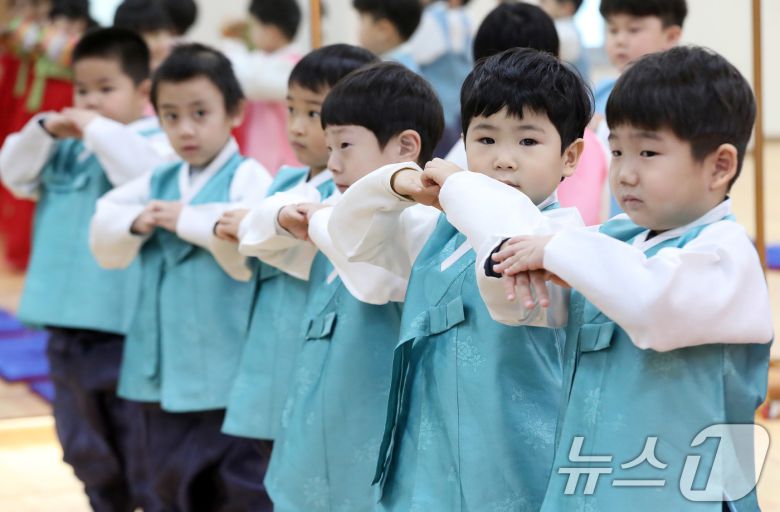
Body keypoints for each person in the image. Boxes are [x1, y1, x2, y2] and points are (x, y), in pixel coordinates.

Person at [438, 46, 773, 512]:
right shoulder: (615, 240)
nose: (626, 173)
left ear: (719, 166)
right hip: (592, 485)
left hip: (685, 494)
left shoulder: (725, 253)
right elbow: (531, 305)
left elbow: (651, 305)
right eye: (617, 151)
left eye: (648, 152)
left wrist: (554, 250)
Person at [328, 47, 590, 511]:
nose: (503, 160)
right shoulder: (443, 232)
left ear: (569, 157)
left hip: (515, 474)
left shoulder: (561, 242)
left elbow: (505, 252)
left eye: (528, 142)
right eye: (485, 139)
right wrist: (398, 181)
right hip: (427, 468)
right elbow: (350, 233)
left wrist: (459, 186)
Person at [238, 61, 443, 511]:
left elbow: (371, 274)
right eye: (329, 146)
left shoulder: (420, 222)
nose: (332, 163)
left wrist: (319, 222)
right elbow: (255, 228)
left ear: (405, 147)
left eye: (345, 145)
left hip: (372, 424)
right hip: (313, 420)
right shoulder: (329, 205)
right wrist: (287, 216)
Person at [89, 43, 274, 510]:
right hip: (164, 369)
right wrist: (137, 221)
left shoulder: (249, 177)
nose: (185, 129)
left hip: (228, 371)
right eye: (171, 116)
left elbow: (253, 236)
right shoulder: (159, 180)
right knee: (166, 487)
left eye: (199, 113)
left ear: (234, 111)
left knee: (239, 491)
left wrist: (186, 219)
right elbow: (104, 222)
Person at [0, 27, 173, 511]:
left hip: (125, 327)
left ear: (142, 92)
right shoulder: (63, 144)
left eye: (105, 88)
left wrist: (97, 129)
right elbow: (13, 174)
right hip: (63, 322)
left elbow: (145, 177)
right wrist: (44, 128)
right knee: (81, 441)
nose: (90, 101)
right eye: (82, 90)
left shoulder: (153, 142)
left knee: (137, 440)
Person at [215, 43, 377, 495]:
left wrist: (254, 223)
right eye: (292, 110)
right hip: (267, 354)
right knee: (264, 479)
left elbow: (285, 241)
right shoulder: (286, 180)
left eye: (315, 113)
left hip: (312, 364)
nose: (299, 127)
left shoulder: (353, 194)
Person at [353, 0, 422, 72]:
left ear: (383, 29)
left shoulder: (387, 73)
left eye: (361, 20)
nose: (359, 28)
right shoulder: (408, 67)